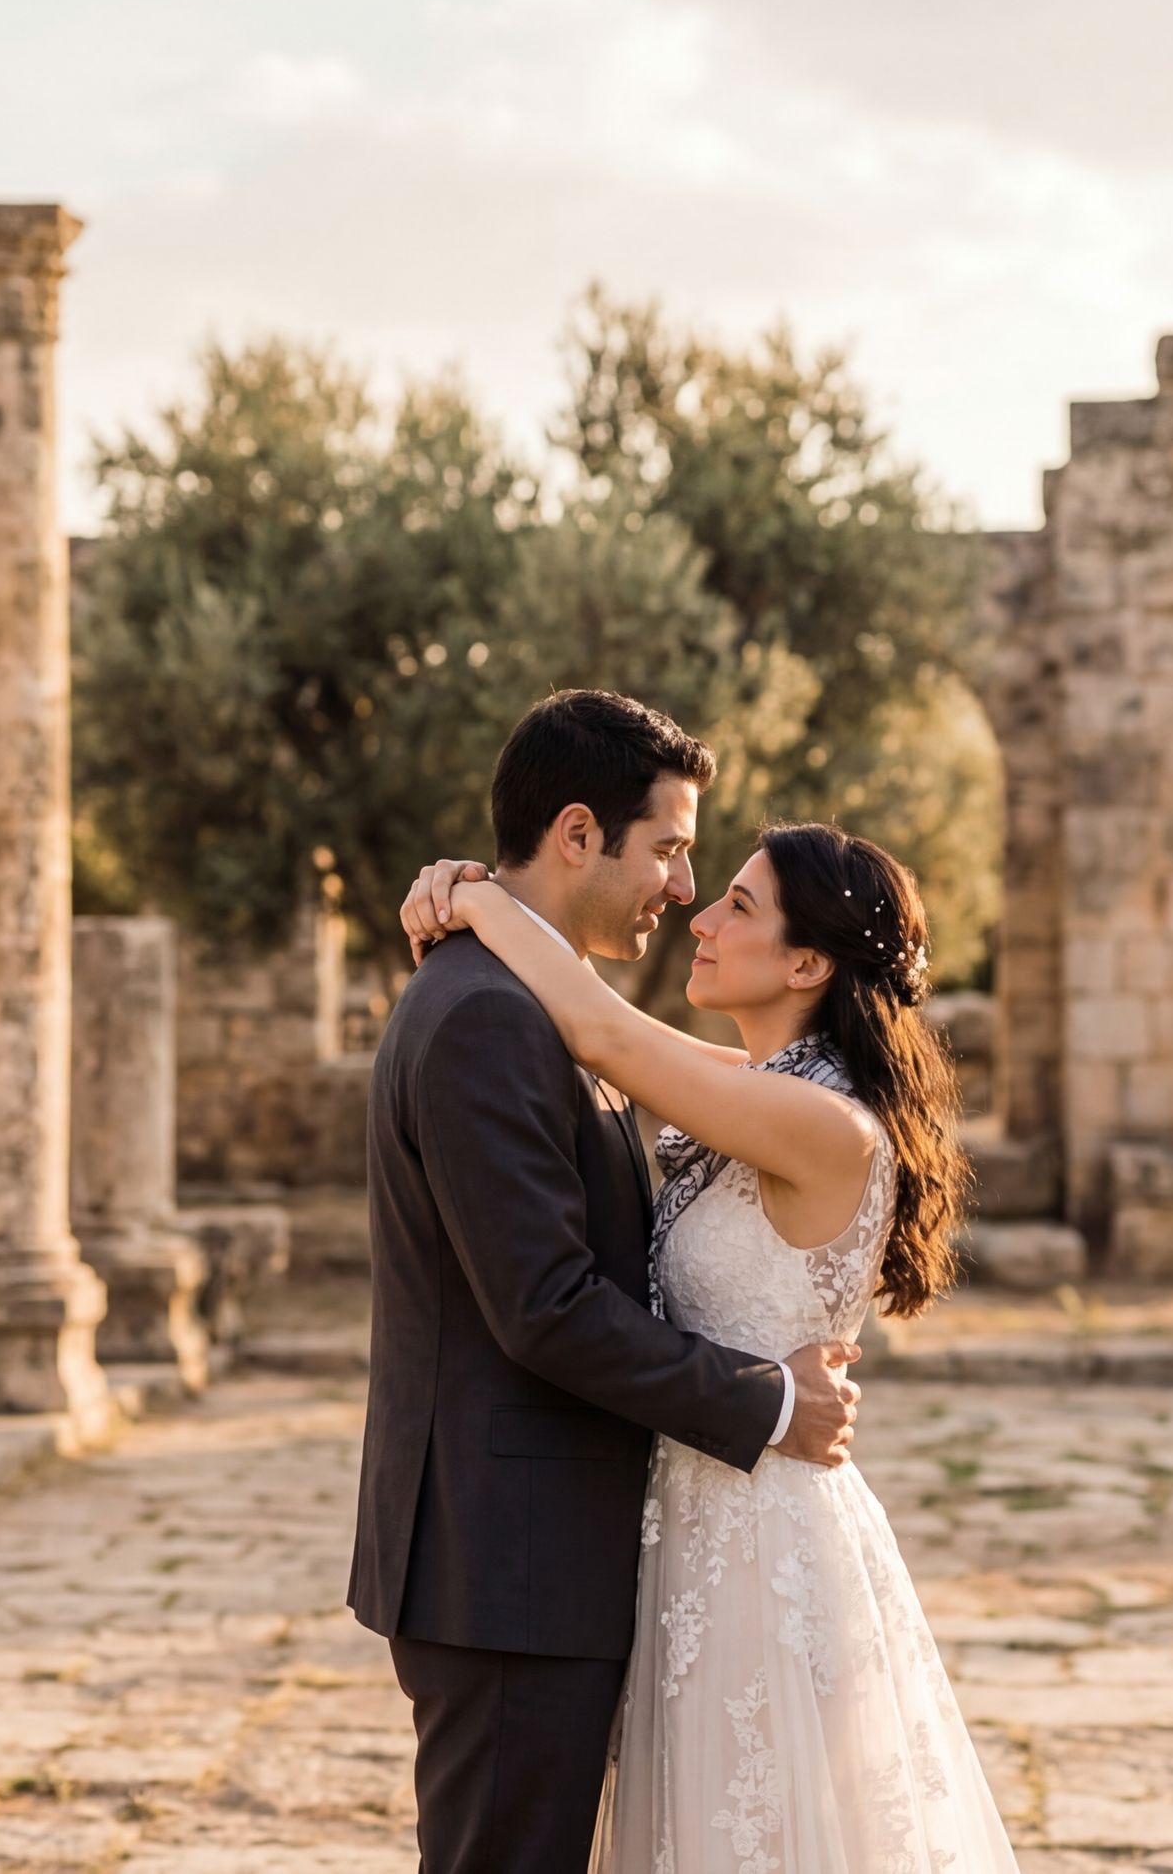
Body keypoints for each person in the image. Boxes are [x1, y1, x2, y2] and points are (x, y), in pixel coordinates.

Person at [395, 775, 1022, 1868]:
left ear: (807, 963)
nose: (702, 914)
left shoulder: (820, 1121)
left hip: (760, 1526)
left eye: (737, 903)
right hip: (686, 1516)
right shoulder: (762, 1082)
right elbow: (620, 1037)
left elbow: (599, 1032)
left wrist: (485, 900)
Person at [349, 689, 869, 1874]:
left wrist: (472, 890)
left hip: (556, 1563)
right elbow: (546, 1309)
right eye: (674, 848)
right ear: (579, 834)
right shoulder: (488, 1016)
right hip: (509, 1570)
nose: (683, 888)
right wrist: (772, 1402)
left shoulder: (541, 1008)